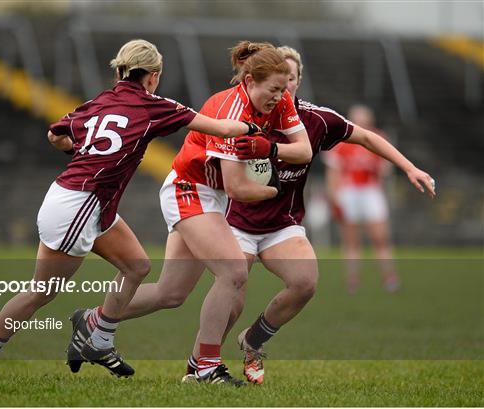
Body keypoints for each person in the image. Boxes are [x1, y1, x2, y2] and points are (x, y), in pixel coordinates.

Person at [0, 39, 264, 379]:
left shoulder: (99, 101)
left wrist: (82, 149)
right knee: (42, 291)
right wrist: (255, 130)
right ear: (152, 76)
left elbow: (54, 135)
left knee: (137, 265)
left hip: (82, 200)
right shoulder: (153, 105)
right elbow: (221, 127)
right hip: (80, 205)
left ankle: (100, 338)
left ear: (119, 71)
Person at [180, 46, 435, 385]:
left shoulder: (315, 120)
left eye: (289, 81)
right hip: (237, 221)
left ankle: (253, 341)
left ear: (297, 80)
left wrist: (409, 167)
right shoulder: (246, 113)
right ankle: (200, 365)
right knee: (232, 299)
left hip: (282, 224)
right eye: (276, 83)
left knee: (305, 282)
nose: (282, 90)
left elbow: (364, 137)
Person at [67, 41, 312, 386]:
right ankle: (206, 366)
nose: (279, 96)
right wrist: (275, 189)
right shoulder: (231, 109)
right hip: (188, 189)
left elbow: (304, 151)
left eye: (282, 88)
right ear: (249, 81)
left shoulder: (280, 96)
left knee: (171, 293)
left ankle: (93, 321)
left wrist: (270, 148)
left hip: (208, 195)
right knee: (233, 272)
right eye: (272, 89)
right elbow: (239, 189)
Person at [324, 104, 400, 293]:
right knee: (351, 240)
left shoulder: (378, 138)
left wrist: (383, 168)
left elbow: (386, 167)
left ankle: (389, 277)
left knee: (380, 237)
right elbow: (333, 173)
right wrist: (334, 198)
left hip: (371, 190)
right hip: (349, 192)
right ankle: (352, 280)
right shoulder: (341, 141)